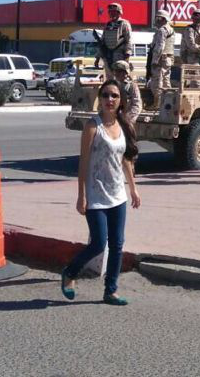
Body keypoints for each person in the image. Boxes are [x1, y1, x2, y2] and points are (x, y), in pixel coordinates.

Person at [60, 79, 142, 306]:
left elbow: (125, 159)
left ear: (120, 100)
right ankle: (71, 272)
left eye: (114, 96)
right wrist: (81, 195)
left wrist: (133, 188)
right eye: (105, 95)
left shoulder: (124, 125)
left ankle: (111, 290)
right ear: (100, 98)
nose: (110, 100)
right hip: (96, 193)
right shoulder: (92, 126)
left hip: (118, 194)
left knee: (117, 244)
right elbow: (83, 163)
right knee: (98, 243)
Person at [148, 10, 176, 99]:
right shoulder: (171, 29)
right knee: (166, 82)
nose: (156, 20)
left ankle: (158, 102)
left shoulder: (162, 30)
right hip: (167, 59)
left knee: (157, 82)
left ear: (163, 19)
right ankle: (168, 101)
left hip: (160, 59)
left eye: (158, 18)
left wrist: (154, 60)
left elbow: (160, 46)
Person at [97, 2, 133, 69]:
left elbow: (128, 39)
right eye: (110, 12)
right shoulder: (108, 24)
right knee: (109, 77)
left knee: (119, 77)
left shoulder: (124, 23)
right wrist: (98, 57)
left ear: (119, 12)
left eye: (114, 11)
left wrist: (127, 55)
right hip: (108, 55)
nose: (112, 13)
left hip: (120, 55)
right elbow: (102, 41)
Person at [111, 60, 143, 125]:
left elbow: (137, 104)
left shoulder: (131, 86)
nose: (117, 73)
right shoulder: (111, 85)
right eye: (116, 71)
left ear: (126, 72)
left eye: (120, 71)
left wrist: (128, 119)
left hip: (126, 118)